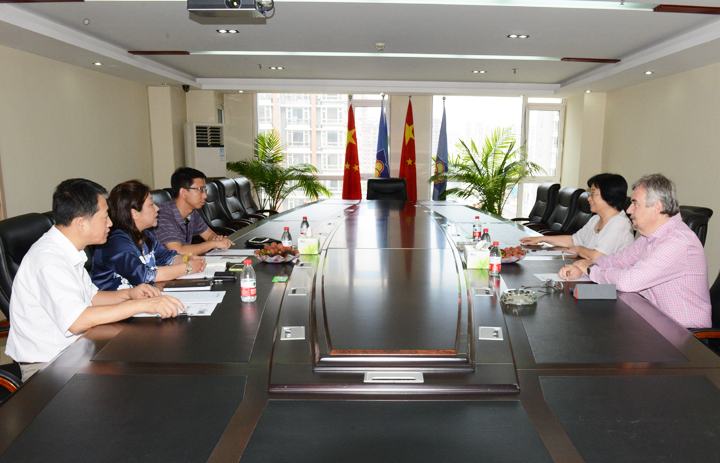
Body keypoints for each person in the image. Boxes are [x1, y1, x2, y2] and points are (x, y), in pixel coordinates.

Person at [6, 179, 184, 381]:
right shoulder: (48, 261)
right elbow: (77, 321)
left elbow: (92, 297)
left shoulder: (70, 251)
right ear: (81, 223)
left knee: (155, 355)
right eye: (105, 217)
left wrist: (130, 294)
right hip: (50, 367)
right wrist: (142, 305)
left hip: (80, 349)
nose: (110, 223)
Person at [559, 174, 711, 329]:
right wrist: (582, 268)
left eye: (635, 204)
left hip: (684, 335)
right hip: (653, 321)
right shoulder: (650, 237)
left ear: (657, 207)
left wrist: (591, 269)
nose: (629, 209)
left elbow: (629, 281)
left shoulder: (678, 242)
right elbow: (618, 260)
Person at [92, 180, 207, 291]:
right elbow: (143, 275)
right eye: (151, 204)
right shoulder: (116, 242)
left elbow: (166, 257)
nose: (157, 208)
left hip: (144, 298)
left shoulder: (144, 234)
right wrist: (187, 267)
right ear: (135, 213)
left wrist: (187, 259)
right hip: (119, 302)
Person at [520, 173, 635, 259]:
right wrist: (541, 238)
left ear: (609, 195)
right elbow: (573, 240)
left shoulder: (620, 223)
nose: (589, 198)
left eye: (593, 193)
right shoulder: (596, 219)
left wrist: (578, 249)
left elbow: (597, 256)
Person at [152, 167, 233, 255]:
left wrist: (216, 239)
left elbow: (209, 235)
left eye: (205, 190)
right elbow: (178, 251)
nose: (205, 196)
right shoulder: (162, 216)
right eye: (200, 190)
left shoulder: (192, 213)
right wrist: (213, 244)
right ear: (183, 192)